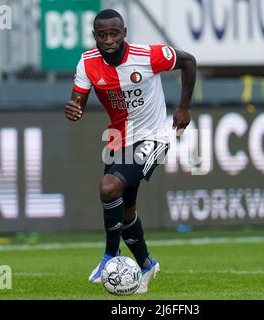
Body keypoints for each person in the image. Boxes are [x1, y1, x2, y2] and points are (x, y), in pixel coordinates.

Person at [64, 9, 196, 293]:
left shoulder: (148, 55)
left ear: (125, 33)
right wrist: (74, 109)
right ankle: (147, 264)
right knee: (125, 211)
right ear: (95, 36)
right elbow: (78, 102)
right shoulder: (88, 63)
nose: (109, 40)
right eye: (103, 35)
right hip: (118, 140)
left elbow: (188, 61)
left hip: (155, 136)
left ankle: (110, 255)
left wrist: (184, 105)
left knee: (109, 188)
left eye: (114, 33)